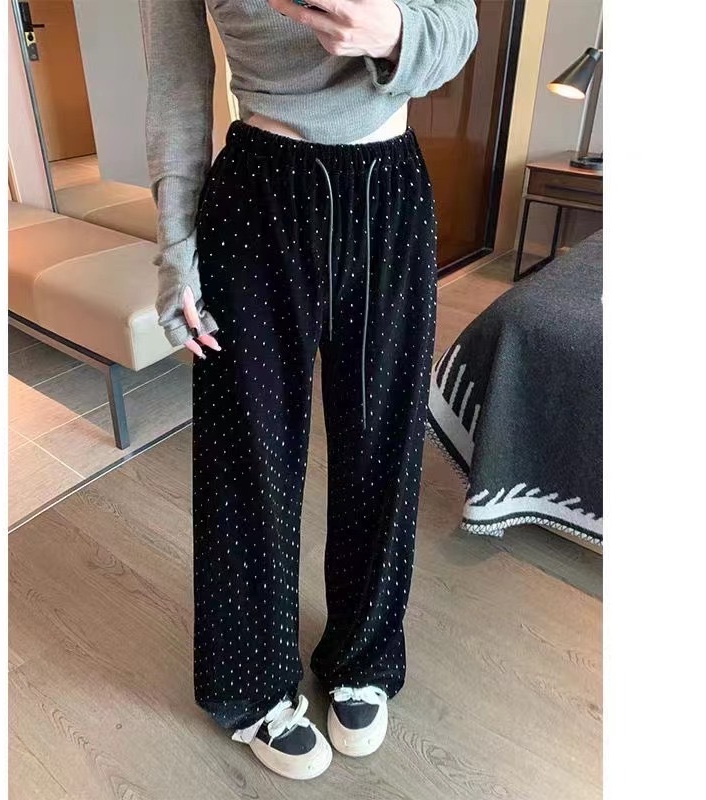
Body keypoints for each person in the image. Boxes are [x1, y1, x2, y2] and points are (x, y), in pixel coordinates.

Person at [141, 0, 478, 780]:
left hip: (390, 192)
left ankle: (363, 654)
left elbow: (458, 26)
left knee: (383, 448)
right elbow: (175, 83)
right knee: (246, 457)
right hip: (258, 194)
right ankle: (250, 685)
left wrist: (398, 34)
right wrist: (175, 248)